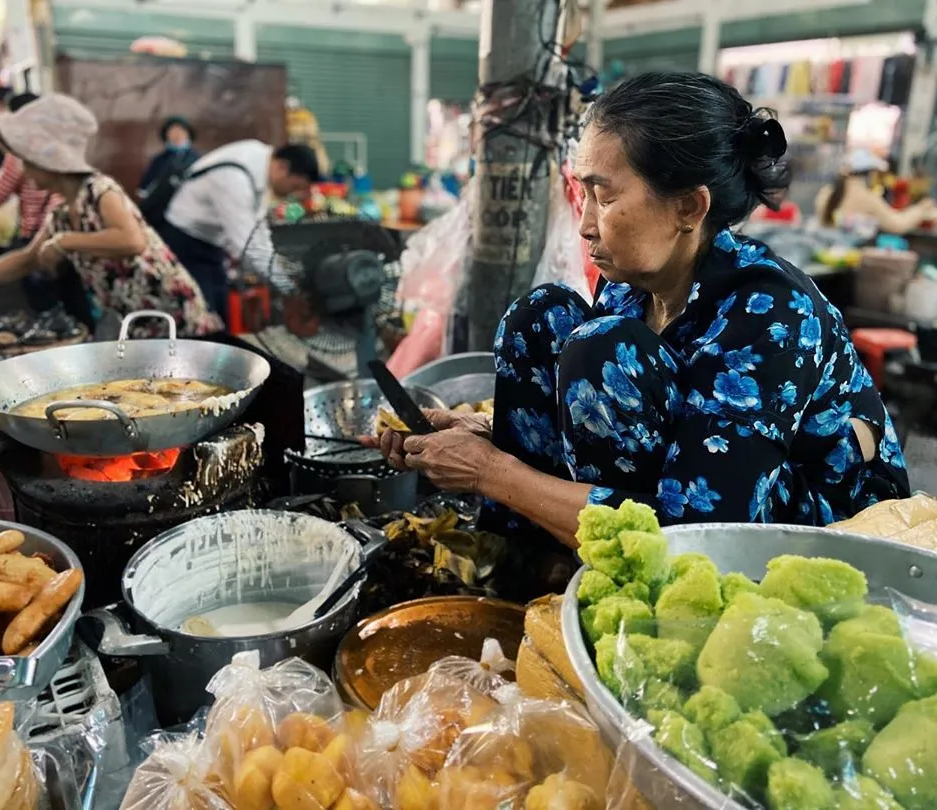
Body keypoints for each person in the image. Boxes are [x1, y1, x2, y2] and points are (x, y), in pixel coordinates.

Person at [375, 72, 910, 592]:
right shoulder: (636, 284)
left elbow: (708, 532)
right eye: (583, 195)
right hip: (701, 488)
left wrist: (490, 473)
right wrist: (488, 438)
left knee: (600, 350)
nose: (585, 224)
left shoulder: (771, 312)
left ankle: (609, 578)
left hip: (807, 528)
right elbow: (646, 431)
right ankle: (531, 571)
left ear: (688, 207)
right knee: (541, 316)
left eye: (603, 198)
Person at [0, 93, 221, 337]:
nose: (23, 170)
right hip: (136, 326)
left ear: (48, 161)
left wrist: (66, 242)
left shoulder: (101, 190)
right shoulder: (62, 214)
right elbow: (27, 259)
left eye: (27, 160)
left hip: (173, 318)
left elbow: (132, 241)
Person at [159, 141, 321, 323]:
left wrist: (282, 274)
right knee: (200, 318)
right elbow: (246, 245)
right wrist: (287, 285)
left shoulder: (262, 164)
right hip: (183, 242)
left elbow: (258, 233)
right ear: (283, 167)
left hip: (211, 245)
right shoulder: (235, 178)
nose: (291, 194)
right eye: (294, 187)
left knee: (220, 314)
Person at [0, 92, 70, 314]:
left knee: (47, 310)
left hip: (37, 237)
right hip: (58, 238)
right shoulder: (59, 148)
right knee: (68, 308)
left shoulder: (20, 154)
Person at [816, 148, 937, 234]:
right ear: (870, 174)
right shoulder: (867, 198)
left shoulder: (826, 192)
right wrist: (920, 210)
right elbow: (897, 224)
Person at [138, 115, 200, 196]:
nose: (177, 135)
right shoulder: (159, 160)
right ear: (166, 135)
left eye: (181, 131)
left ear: (188, 134)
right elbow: (144, 188)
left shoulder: (197, 159)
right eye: (173, 131)